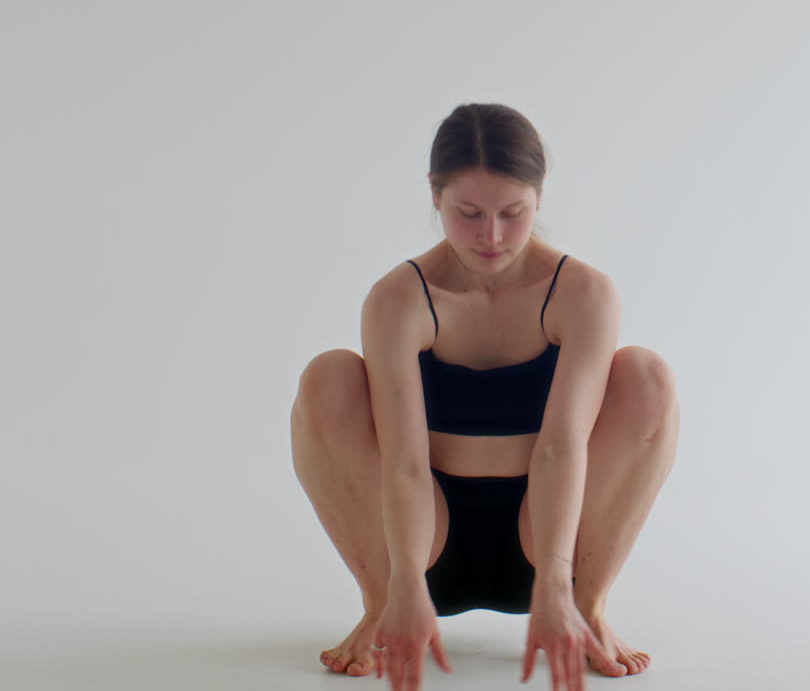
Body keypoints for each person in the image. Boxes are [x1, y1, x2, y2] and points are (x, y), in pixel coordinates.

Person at [291, 103, 679, 690]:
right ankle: (381, 606)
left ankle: (590, 608)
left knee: (648, 377)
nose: (490, 236)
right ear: (434, 194)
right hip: (420, 545)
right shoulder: (399, 298)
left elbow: (561, 447)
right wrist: (404, 586)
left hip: (549, 541)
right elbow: (404, 462)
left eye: (512, 213)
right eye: (468, 213)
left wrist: (555, 580)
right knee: (328, 377)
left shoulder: (584, 293)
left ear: (540, 196)